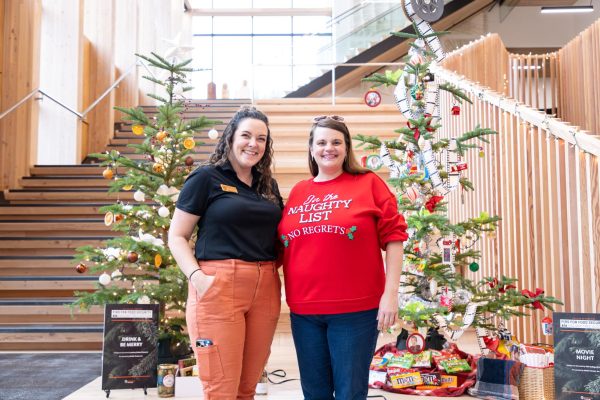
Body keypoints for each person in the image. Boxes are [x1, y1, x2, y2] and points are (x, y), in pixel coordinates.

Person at [278, 115, 408, 399]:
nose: (329, 148)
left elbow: (394, 237)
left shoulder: (368, 184)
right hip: (304, 310)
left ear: (347, 147)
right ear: (311, 149)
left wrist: (391, 294)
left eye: (336, 142)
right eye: (321, 142)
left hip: (354, 311)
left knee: (350, 392)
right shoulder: (299, 191)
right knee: (314, 393)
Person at [168, 106, 283, 399]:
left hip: (265, 288)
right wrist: (197, 278)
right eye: (246, 135)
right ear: (231, 137)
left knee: (248, 388)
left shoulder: (267, 185)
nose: (253, 144)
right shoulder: (206, 178)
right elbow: (177, 236)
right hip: (218, 286)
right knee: (220, 388)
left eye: (261, 138)